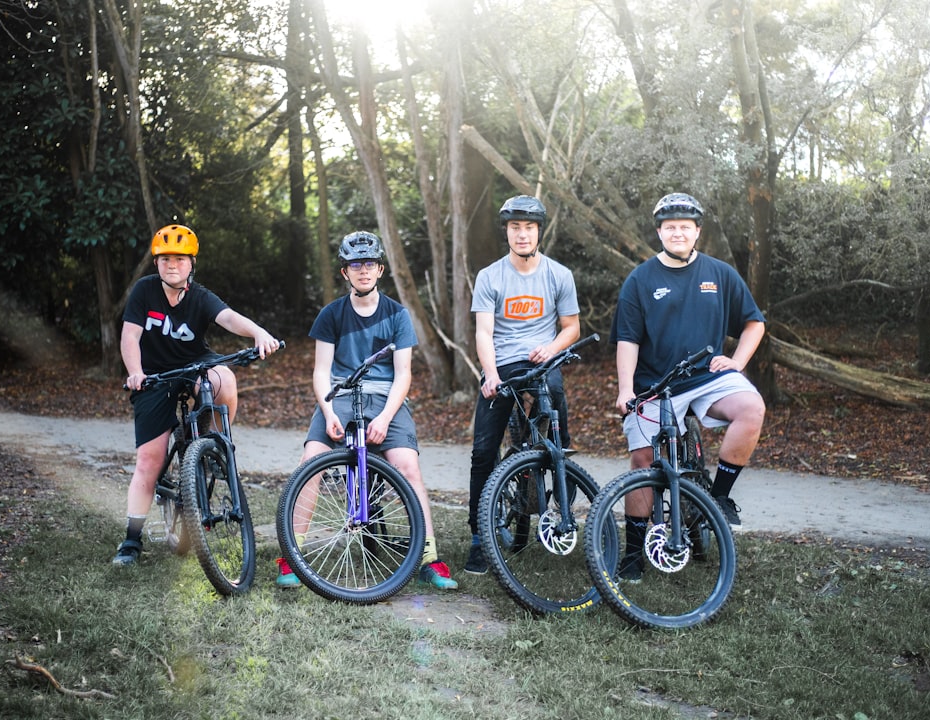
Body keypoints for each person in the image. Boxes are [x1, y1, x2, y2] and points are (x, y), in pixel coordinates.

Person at [274, 231, 458, 590]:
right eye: (355, 265)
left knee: (408, 466)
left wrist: (386, 418)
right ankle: (290, 556)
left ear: (380, 269)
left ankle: (429, 558)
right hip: (340, 395)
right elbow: (321, 372)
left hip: (386, 398)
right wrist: (328, 414)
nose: (363, 271)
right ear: (345, 273)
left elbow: (404, 374)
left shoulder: (397, 315)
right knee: (311, 461)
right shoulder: (331, 315)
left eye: (369, 264)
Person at [611, 192, 766, 582]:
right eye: (670, 227)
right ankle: (633, 553)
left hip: (709, 378)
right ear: (659, 232)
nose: (677, 233)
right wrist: (626, 389)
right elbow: (627, 340)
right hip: (656, 384)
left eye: (685, 227)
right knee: (643, 459)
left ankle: (718, 498)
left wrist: (738, 362)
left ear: (697, 231)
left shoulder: (719, 273)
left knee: (752, 409)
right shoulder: (640, 280)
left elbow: (754, 323)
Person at [114, 224, 281, 566]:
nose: (171, 265)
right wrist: (136, 372)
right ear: (156, 264)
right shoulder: (145, 292)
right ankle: (132, 540)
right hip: (154, 376)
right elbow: (130, 337)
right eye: (164, 259)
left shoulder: (201, 297)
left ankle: (212, 446)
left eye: (178, 259)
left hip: (194, 366)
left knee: (225, 378)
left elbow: (230, 319)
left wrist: (259, 333)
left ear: (191, 263)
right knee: (149, 459)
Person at [464, 195, 581, 575]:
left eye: (529, 228)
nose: (522, 234)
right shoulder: (490, 276)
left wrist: (549, 348)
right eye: (515, 227)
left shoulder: (559, 275)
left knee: (557, 391)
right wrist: (491, 373)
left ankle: (557, 450)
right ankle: (480, 537)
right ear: (507, 232)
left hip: (542, 359)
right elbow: (483, 331)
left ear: (538, 232)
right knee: (483, 451)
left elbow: (572, 328)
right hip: (502, 363)